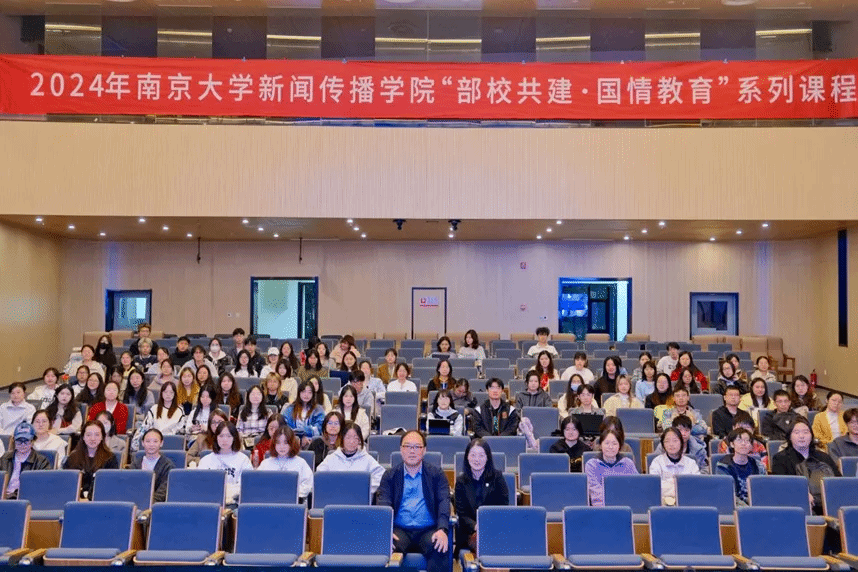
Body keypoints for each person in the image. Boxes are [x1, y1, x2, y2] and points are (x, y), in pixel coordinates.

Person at [377, 430, 450, 572]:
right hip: (399, 531)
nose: (412, 451)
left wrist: (442, 529)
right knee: (386, 546)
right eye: (408, 446)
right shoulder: (390, 476)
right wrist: (386, 529)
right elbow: (384, 503)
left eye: (417, 447)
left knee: (440, 547)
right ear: (401, 449)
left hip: (428, 530)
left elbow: (444, 502)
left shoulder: (437, 474)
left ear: (424, 450)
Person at [772, 417, 840, 513]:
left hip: (828, 505)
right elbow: (781, 488)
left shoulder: (824, 457)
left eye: (805, 432)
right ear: (789, 437)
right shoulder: (780, 458)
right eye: (796, 432)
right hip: (797, 508)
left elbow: (838, 482)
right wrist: (802, 494)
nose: (801, 436)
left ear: (811, 436)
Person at [454, 438, 508, 553]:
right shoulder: (461, 482)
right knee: (480, 540)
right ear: (467, 457)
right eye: (473, 455)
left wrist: (488, 526)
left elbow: (503, 507)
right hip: (469, 531)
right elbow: (462, 514)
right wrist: (476, 526)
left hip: (493, 528)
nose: (477, 459)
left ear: (487, 457)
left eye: (481, 455)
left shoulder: (497, 478)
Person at [317, 421, 386, 493]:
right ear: (342, 439)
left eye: (355, 438)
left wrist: (363, 487)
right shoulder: (331, 459)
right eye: (348, 438)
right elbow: (319, 477)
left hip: (359, 497)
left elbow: (381, 477)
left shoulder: (368, 459)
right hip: (336, 496)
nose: (351, 441)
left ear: (359, 440)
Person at [196, 421, 253, 506]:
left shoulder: (243, 459)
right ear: (216, 438)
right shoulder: (206, 460)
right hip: (210, 502)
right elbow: (201, 485)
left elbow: (246, 486)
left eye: (229, 436)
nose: (225, 440)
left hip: (235, 503)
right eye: (221, 436)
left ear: (234, 438)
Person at [63, 420, 120, 498]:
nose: (92, 438)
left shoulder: (110, 458)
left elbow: (112, 486)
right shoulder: (73, 458)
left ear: (102, 437)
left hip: (100, 500)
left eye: (97, 435)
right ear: (83, 437)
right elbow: (66, 484)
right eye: (88, 435)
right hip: (76, 500)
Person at [257, 425, 314, 502]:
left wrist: (292, 494)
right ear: (274, 444)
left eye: (285, 442)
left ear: (292, 443)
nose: (282, 447)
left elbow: (308, 484)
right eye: (278, 443)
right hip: (269, 501)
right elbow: (258, 483)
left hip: (294, 502)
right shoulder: (266, 463)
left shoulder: (300, 462)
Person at [585, 426, 638, 506]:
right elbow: (595, 492)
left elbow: (636, 487)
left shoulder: (628, 463)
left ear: (619, 446)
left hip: (625, 506)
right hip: (601, 508)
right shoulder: (591, 465)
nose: (610, 447)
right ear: (600, 445)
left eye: (614, 444)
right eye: (607, 443)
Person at [715, 427, 767, 506]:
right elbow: (726, 493)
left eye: (747, 441)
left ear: (751, 446)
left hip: (756, 506)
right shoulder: (723, 466)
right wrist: (745, 508)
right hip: (732, 506)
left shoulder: (758, 466)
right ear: (732, 444)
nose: (743, 444)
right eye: (739, 440)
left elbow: (763, 490)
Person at [648, 427, 700, 504]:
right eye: (667, 441)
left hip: (688, 503)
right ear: (663, 444)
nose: (671, 444)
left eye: (675, 440)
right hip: (662, 504)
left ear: (681, 442)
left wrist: (668, 484)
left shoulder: (691, 463)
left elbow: (696, 486)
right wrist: (680, 485)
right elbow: (654, 487)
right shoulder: (657, 462)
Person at [1, 422, 52, 499]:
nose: (22, 444)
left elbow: (41, 487)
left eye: (26, 441)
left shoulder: (41, 461)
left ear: (32, 441)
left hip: (26, 499)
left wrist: (13, 495)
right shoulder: (4, 458)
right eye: (19, 441)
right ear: (14, 441)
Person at [133, 382, 185, 452]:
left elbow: (181, 430)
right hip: (154, 440)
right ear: (161, 393)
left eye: (171, 392)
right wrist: (136, 442)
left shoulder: (179, 410)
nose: (168, 394)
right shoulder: (154, 408)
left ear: (175, 394)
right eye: (165, 392)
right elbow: (145, 426)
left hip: (171, 441)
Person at [129, 428, 174, 503]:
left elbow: (163, 492)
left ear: (161, 443)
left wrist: (149, 504)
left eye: (155, 441)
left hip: (157, 505)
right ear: (142, 443)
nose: (151, 444)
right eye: (148, 441)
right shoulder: (135, 464)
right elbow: (130, 487)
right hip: (135, 503)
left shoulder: (168, 466)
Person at [281, 381, 326, 448]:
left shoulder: (318, 409)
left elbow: (319, 428)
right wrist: (299, 438)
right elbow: (285, 426)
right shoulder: (290, 408)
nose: (306, 395)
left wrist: (301, 433)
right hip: (292, 439)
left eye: (309, 392)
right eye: (304, 392)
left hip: (312, 441)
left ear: (313, 394)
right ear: (299, 393)